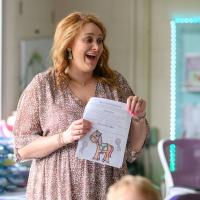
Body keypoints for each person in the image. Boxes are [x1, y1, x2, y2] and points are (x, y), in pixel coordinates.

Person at [14, 12, 149, 200]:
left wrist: (138, 117)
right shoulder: (43, 86)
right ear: (69, 44)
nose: (97, 47)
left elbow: (134, 147)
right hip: (55, 190)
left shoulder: (115, 83)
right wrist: (64, 137)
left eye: (100, 40)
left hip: (106, 187)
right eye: (89, 40)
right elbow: (22, 149)